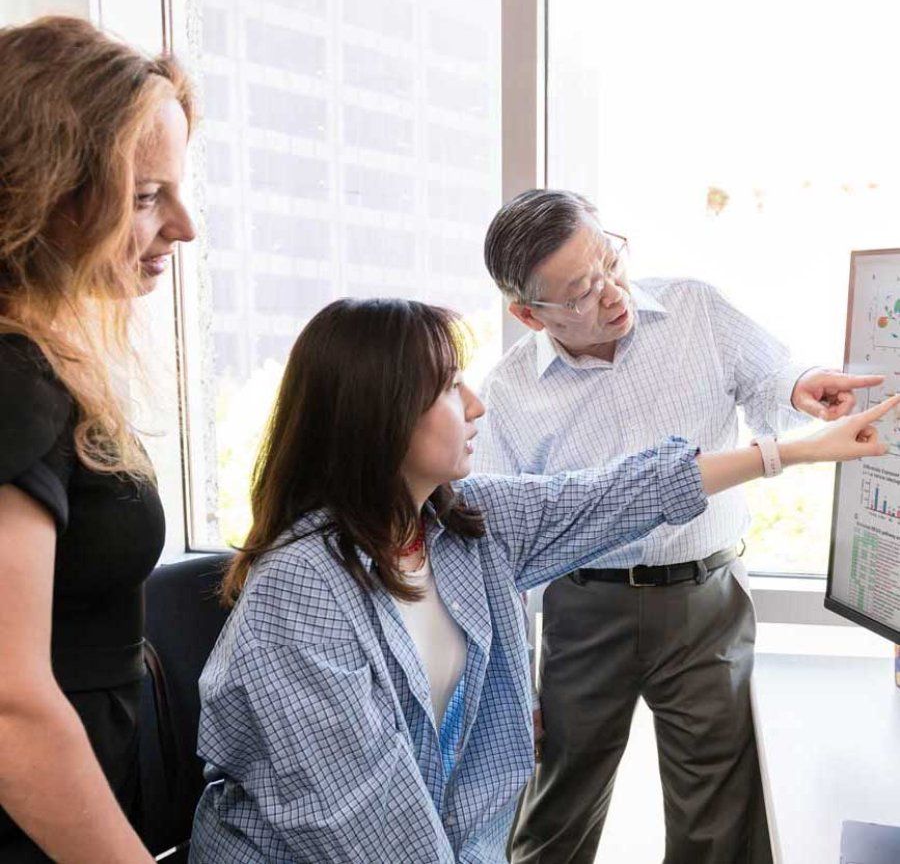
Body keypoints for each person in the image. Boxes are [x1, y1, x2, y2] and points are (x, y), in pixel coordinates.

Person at [188, 296, 894, 863]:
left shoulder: (463, 526)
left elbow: (621, 492)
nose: (476, 405)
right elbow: (365, 822)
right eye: (447, 387)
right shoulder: (303, 587)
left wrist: (794, 451)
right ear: (380, 417)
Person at [474, 189, 884, 864]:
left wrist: (800, 384)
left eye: (610, 261)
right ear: (527, 313)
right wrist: (514, 683)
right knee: (556, 813)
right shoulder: (510, 393)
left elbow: (769, 375)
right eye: (580, 292)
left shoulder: (695, 307)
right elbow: (501, 553)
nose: (610, 293)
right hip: (584, 610)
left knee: (716, 822)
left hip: (707, 602)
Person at [0, 16, 195, 862]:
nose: (183, 226)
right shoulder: (13, 379)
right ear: (45, 193)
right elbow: (9, 707)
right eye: (147, 196)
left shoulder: (48, 361)